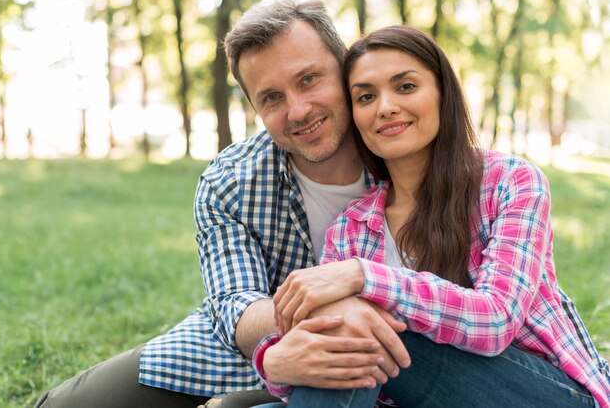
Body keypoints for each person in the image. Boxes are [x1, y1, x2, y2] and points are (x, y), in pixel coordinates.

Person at [34, 0, 411, 408]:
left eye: (308, 80)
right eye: (271, 98)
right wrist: (324, 317)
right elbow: (235, 304)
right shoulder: (230, 180)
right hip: (241, 352)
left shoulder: (408, 152)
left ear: (344, 68)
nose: (298, 110)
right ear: (253, 106)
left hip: (383, 363)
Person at [251, 25, 610, 407]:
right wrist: (273, 361)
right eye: (366, 96)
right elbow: (321, 352)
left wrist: (364, 276)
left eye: (405, 87)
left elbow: (495, 321)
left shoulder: (511, 181)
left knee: (364, 330)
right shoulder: (352, 226)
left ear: (442, 93)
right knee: (344, 344)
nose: (385, 106)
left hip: (543, 393)